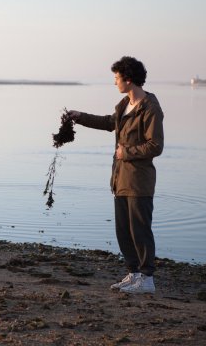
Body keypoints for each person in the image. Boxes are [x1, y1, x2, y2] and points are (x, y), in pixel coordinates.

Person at [68, 56, 164, 294]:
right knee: (123, 230)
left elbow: (156, 146)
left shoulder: (150, 107)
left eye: (117, 78)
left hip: (139, 181)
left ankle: (147, 279)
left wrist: (127, 152)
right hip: (120, 179)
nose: (115, 82)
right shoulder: (124, 105)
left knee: (140, 229)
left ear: (128, 79)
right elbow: (109, 122)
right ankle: (133, 275)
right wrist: (79, 117)